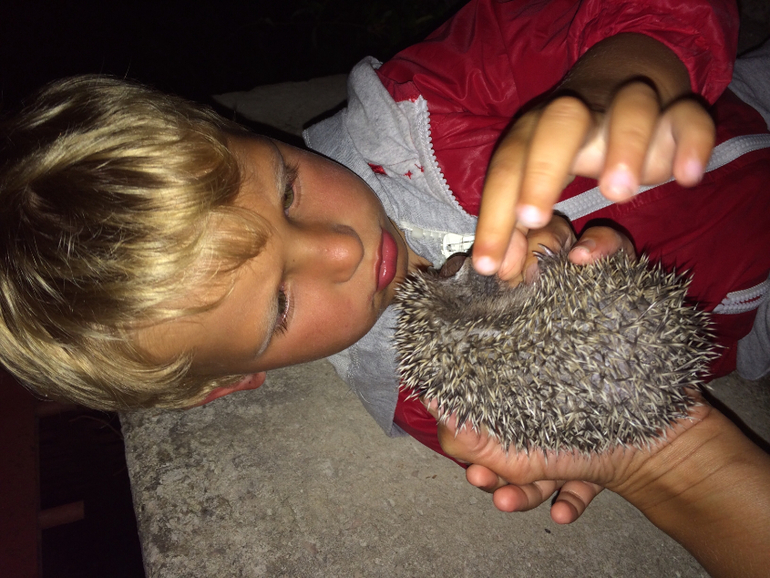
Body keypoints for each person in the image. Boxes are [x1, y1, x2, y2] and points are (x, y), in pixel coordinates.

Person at [0, 0, 768, 574]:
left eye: (287, 189)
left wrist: (619, 80)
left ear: (241, 130)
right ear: (233, 382)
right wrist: (630, 451)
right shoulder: (431, 402)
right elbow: (620, 415)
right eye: (280, 304)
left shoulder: (426, 102)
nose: (340, 248)